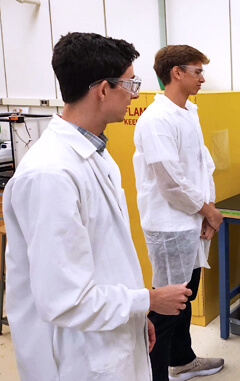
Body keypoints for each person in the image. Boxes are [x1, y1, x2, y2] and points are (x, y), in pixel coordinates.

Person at [3, 32, 192, 380]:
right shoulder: (50, 175)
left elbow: (106, 257)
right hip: (78, 357)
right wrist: (147, 300)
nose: (133, 94)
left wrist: (135, 319)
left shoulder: (96, 157)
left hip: (109, 334)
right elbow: (64, 300)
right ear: (103, 89)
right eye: (130, 84)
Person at [133, 45, 225, 381]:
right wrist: (208, 211)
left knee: (185, 299)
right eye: (197, 71)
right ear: (177, 73)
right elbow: (170, 182)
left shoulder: (187, 112)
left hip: (190, 222)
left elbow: (201, 168)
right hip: (170, 227)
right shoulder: (157, 120)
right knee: (167, 309)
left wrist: (206, 212)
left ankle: (182, 360)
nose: (202, 77)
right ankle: (157, 374)